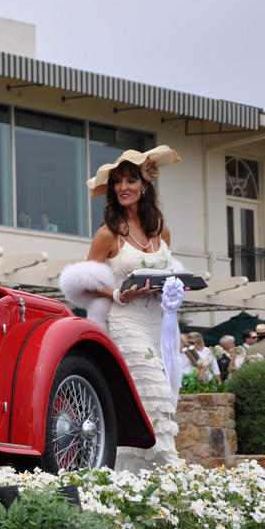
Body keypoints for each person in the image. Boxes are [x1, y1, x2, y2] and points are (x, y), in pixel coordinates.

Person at [59, 145, 183, 471]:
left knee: (149, 398)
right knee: (153, 391)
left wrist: (176, 286)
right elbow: (81, 281)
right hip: (125, 322)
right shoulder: (107, 233)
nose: (123, 187)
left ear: (145, 185)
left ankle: (129, 480)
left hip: (158, 321)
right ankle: (172, 473)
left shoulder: (161, 231)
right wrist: (116, 293)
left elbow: (168, 273)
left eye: (130, 180)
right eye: (117, 182)